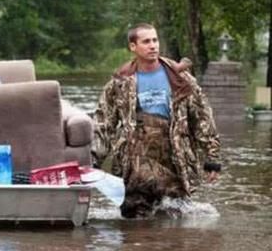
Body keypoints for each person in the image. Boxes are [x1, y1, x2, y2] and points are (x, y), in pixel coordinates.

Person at [92, 23, 221, 218]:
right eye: (146, 41)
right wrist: (93, 163)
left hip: (175, 155)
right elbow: (104, 124)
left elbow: (202, 117)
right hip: (135, 158)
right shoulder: (120, 82)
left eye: (155, 40)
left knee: (176, 214)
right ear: (133, 47)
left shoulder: (181, 79)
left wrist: (212, 157)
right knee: (134, 216)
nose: (153, 45)